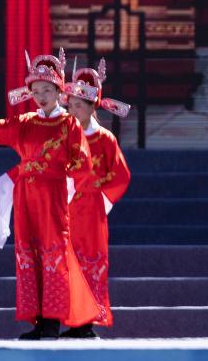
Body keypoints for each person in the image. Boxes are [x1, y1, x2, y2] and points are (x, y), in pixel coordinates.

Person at [0, 49, 98, 339]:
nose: (41, 96)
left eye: (47, 90)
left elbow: (83, 164)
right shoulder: (25, 123)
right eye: (36, 91)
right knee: (30, 253)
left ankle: (52, 320)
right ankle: (51, 321)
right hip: (26, 198)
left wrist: (66, 182)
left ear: (60, 92)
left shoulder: (68, 124)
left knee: (54, 253)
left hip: (52, 196)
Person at [59, 58, 131, 337]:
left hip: (91, 210)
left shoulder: (105, 139)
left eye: (79, 106)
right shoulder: (63, 136)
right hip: (64, 207)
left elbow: (120, 175)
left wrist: (103, 201)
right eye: (71, 106)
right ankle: (71, 319)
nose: (73, 111)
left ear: (92, 107)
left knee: (89, 261)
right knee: (65, 263)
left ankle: (86, 322)